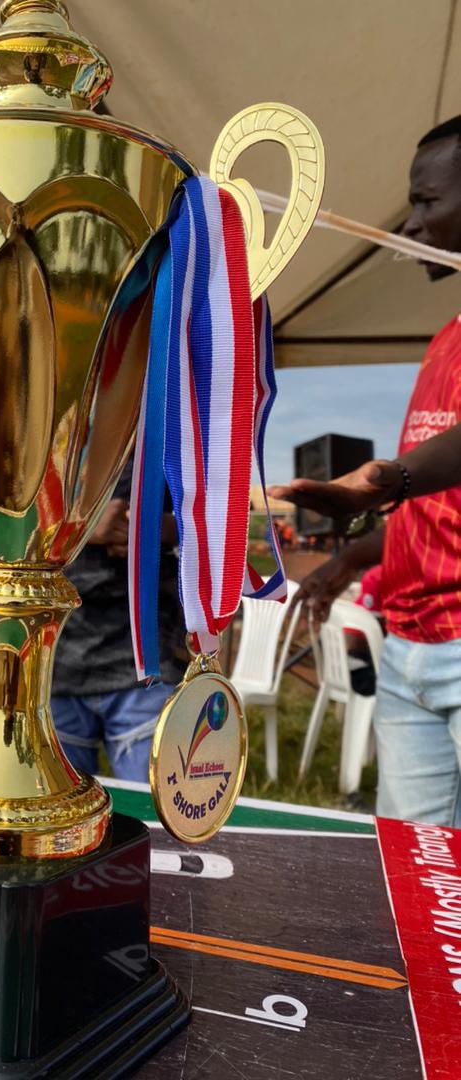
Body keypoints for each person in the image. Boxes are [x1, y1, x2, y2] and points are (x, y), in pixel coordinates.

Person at [269, 115, 461, 826]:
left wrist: (387, 479)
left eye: (426, 202)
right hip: (410, 645)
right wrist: (347, 560)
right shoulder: (446, 340)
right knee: (417, 876)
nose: (409, 227)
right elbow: (437, 506)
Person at [50, 460, 185, 781]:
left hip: (145, 662)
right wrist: (81, 525)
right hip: (52, 661)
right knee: (57, 821)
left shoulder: (170, 417)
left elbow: (218, 516)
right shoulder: (28, 420)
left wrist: (155, 526)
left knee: (155, 820)